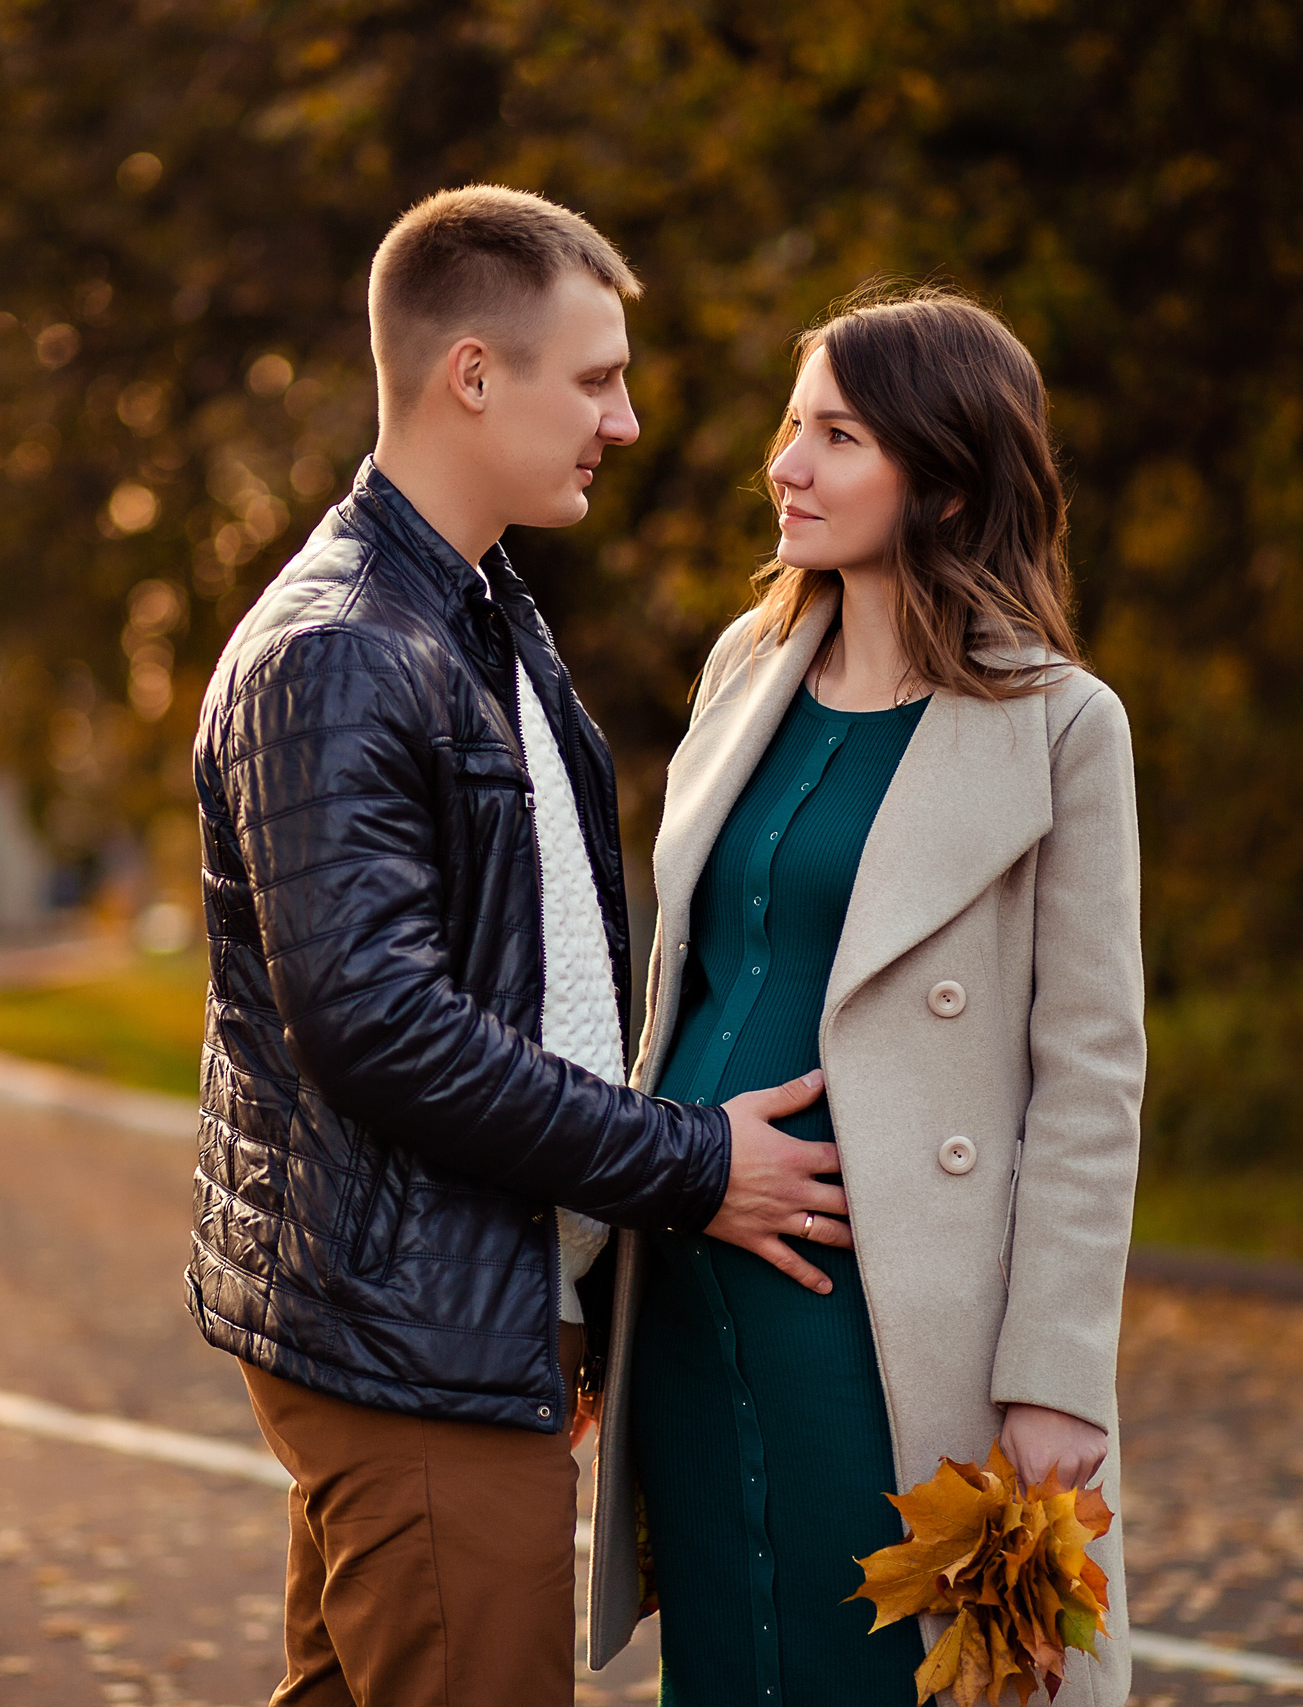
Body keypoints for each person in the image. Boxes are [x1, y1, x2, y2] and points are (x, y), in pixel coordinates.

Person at [189, 185, 844, 1707]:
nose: (624, 419)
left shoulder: (478, 609)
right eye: (596, 377)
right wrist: (689, 1164)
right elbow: (379, 1026)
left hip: (447, 1312)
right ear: (472, 374)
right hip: (406, 1336)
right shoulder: (348, 648)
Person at [587, 286, 1147, 1707]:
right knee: (729, 1654)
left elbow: (1092, 1075)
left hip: (890, 1322)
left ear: (948, 484)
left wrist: (1058, 1374)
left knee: (880, 1671)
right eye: (792, 426)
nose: (786, 465)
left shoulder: (1063, 730)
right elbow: (686, 980)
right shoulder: (743, 668)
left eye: (836, 436)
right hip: (696, 1281)